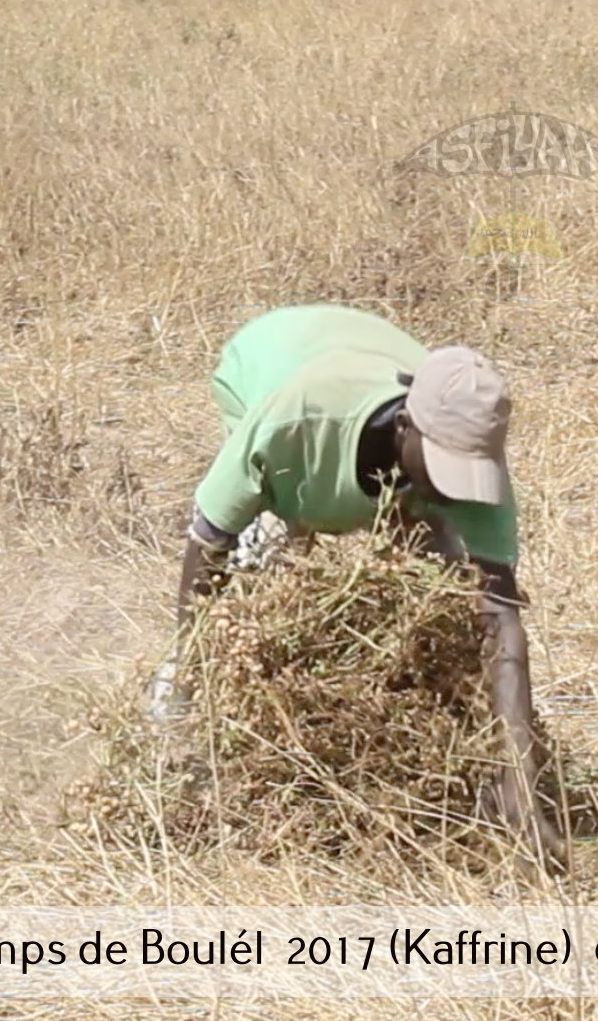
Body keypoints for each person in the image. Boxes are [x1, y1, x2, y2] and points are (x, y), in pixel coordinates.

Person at [145, 304, 562, 870]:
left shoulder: (466, 430)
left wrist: (519, 782)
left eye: (467, 474)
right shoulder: (296, 421)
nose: (457, 488)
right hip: (273, 354)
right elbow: (209, 541)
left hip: (366, 351)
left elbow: (501, 618)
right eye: (443, 467)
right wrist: (196, 668)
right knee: (265, 567)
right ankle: (176, 732)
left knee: (439, 583)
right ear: (405, 427)